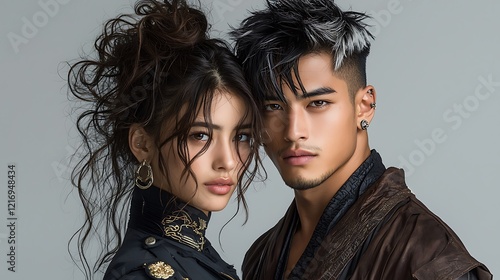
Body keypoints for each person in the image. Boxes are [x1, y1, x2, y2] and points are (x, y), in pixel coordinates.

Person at [231, 0, 492, 279]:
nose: (294, 131)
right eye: (274, 107)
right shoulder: (261, 255)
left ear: (364, 106)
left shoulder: (428, 259)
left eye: (318, 103)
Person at [67, 0, 263, 279]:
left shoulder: (195, 255)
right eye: (200, 135)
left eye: (241, 136)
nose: (228, 161)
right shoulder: (145, 273)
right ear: (142, 144)